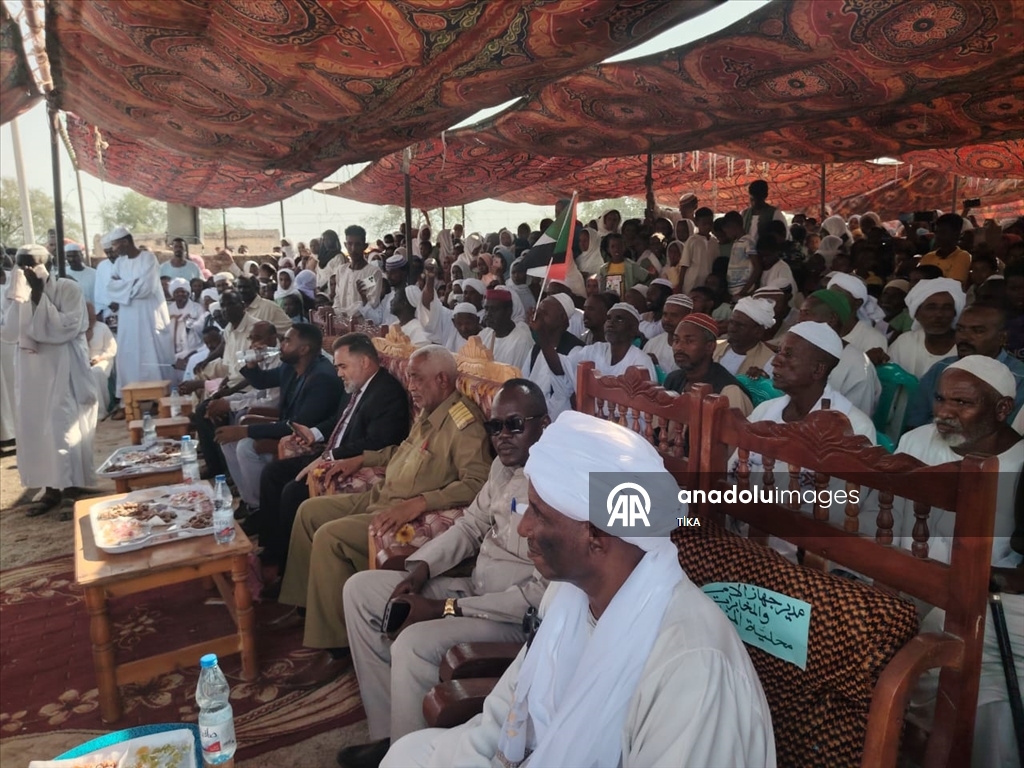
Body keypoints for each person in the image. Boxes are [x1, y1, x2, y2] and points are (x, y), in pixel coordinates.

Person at [380, 411, 776, 768]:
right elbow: (507, 712)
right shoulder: (567, 597)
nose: (524, 528)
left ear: (598, 535)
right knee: (407, 755)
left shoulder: (691, 665)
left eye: (538, 512)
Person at [340, 381, 551, 761]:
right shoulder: (502, 469)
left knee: (413, 642)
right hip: (472, 586)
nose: (502, 436)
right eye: (495, 426)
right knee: (361, 591)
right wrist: (419, 570)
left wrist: (444, 608)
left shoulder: (553, 488)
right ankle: (389, 733)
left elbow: (537, 597)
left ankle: (406, 753)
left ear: (543, 425)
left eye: (514, 424)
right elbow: (470, 526)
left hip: (508, 615)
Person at [278, 346, 491, 683]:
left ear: (442, 380)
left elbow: (477, 482)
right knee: (307, 511)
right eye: (409, 378)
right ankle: (306, 607)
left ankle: (335, 648)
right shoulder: (429, 410)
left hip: (399, 510)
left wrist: (420, 502)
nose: (411, 387)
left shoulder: (463, 425)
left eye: (417, 379)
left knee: (330, 537)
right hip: (380, 495)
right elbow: (400, 451)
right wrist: (361, 459)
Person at [888, 358, 1023, 768]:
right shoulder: (915, 441)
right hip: (905, 585)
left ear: (1001, 409)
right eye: (941, 399)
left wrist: (981, 581)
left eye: (962, 403)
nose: (944, 412)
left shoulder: (1020, 462)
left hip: (983, 604)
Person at [256, 333, 410, 583]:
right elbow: (339, 421)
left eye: (342, 366)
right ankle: (271, 552)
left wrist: (331, 456)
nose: (338, 372)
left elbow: (379, 442)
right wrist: (314, 433)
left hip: (346, 460)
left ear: (365, 363)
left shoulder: (386, 393)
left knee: (293, 492)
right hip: (328, 452)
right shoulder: (356, 385)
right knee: (272, 474)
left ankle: (289, 572)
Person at [1, 244, 97, 515]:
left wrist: (40, 295)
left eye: (32, 264)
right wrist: (22, 298)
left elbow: (67, 328)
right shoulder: (16, 292)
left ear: (49, 265)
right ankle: (50, 489)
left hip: (62, 366)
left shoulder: (68, 289)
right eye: (21, 265)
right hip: (31, 371)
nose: (26, 271)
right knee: (34, 429)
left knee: (62, 426)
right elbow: (9, 332)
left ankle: (70, 488)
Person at [214, 323, 343, 517]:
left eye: (287, 340)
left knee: (245, 446)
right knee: (229, 443)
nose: (281, 344)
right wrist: (251, 363)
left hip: (308, 439)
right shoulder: (291, 366)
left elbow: (298, 426)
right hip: (289, 427)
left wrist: (245, 431)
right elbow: (262, 381)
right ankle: (252, 502)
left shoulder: (322, 378)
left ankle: (260, 509)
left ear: (304, 349)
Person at [907, 303, 1024, 429]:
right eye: (960, 329)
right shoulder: (942, 368)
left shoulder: (1019, 378)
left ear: (1002, 337)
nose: (964, 337)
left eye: (978, 331)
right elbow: (914, 422)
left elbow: (1009, 435)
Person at [536, 303, 656, 407]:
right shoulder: (594, 350)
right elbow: (560, 367)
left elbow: (644, 408)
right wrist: (541, 332)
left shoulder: (641, 361)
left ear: (634, 329)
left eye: (619, 319)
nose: (611, 323)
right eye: (608, 319)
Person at [105, 226, 173, 401]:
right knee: (129, 352)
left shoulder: (148, 258)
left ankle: (159, 396)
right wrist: (133, 284)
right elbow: (111, 287)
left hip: (149, 314)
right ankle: (131, 397)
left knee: (152, 351)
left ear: (126, 242)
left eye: (115, 245)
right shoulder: (119, 263)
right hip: (128, 315)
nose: (113, 250)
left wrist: (124, 287)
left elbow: (146, 288)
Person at [797, 291, 881, 417]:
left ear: (832, 319)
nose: (799, 320)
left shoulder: (858, 365)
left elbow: (854, 421)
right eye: (800, 313)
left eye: (807, 313)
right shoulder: (797, 351)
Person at [664, 314, 753, 415]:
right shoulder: (673, 379)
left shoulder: (729, 392)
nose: (679, 347)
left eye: (689, 341)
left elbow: (732, 430)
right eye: (676, 340)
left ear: (710, 347)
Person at [524, 294, 584, 420]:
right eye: (537, 312)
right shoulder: (536, 349)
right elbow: (525, 384)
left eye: (544, 313)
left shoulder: (575, 350)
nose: (537, 317)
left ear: (562, 318)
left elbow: (559, 371)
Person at [888, 278, 964, 377]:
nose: (939, 314)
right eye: (931, 307)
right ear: (917, 314)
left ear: (955, 313)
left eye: (947, 308)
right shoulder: (904, 343)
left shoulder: (965, 347)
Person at [826, 273, 889, 359]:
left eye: (839, 296)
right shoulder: (820, 329)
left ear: (857, 303)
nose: (832, 300)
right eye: (830, 295)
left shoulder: (873, 339)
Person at [713, 296, 776, 376]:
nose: (732, 329)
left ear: (758, 331)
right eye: (732, 322)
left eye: (740, 325)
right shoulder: (714, 347)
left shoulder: (770, 362)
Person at [479, 288, 534, 371]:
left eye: (494, 310)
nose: (488, 314)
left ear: (508, 311)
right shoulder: (484, 334)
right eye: (486, 309)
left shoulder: (521, 341)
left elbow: (516, 376)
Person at [334, 225, 384, 317]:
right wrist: (335, 312)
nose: (353, 249)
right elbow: (337, 298)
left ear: (365, 246)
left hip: (362, 327)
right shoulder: (341, 271)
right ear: (345, 245)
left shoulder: (373, 273)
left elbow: (371, 303)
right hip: (341, 326)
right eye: (350, 244)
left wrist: (341, 312)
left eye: (357, 244)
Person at [166, 277, 205, 387]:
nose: (180, 294)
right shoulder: (168, 309)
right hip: (172, 351)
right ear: (173, 294)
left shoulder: (197, 308)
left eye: (183, 291)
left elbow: (201, 329)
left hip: (192, 350)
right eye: (177, 292)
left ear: (188, 293)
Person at [642, 293, 692, 375]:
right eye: (665, 314)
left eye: (674, 315)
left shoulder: (693, 348)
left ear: (688, 316)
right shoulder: (652, 343)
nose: (667, 319)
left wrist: (658, 366)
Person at [918, 213, 971, 286]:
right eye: (937, 232)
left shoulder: (962, 256)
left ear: (956, 234)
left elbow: (952, 286)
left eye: (943, 232)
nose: (938, 236)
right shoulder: (928, 257)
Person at [86, 302, 117, 415]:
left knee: (96, 372)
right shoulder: (79, 330)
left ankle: (102, 410)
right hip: (84, 361)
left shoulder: (102, 327)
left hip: (103, 359)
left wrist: (99, 359)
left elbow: (112, 349)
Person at [598, 233, 649, 298]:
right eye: (613, 246)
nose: (616, 249)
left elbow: (647, 277)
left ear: (624, 247)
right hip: (609, 303)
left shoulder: (631, 266)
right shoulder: (603, 269)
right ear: (608, 249)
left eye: (619, 246)